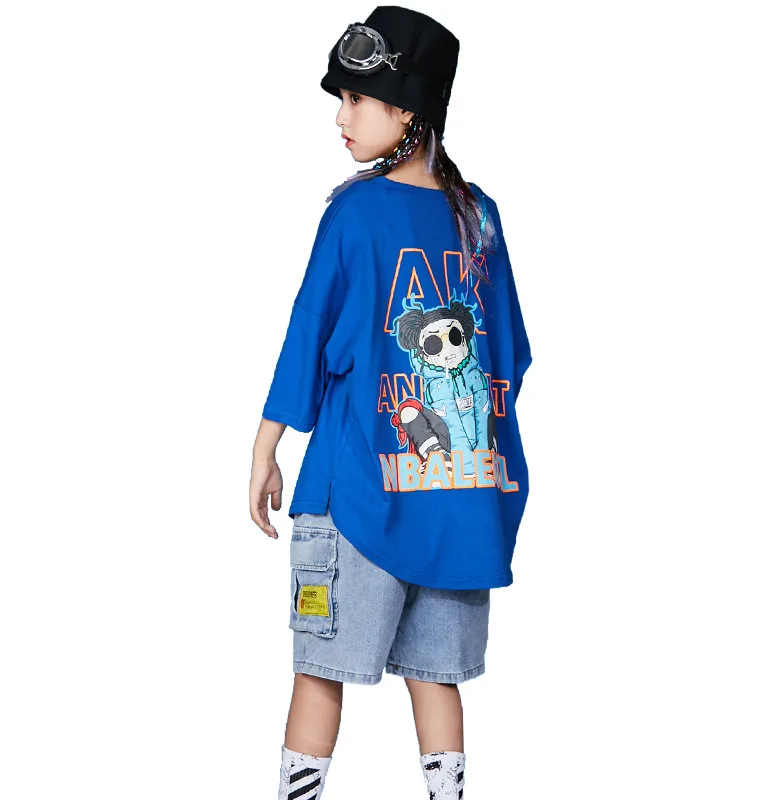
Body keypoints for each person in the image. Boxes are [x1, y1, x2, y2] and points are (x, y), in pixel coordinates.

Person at [248, 6, 532, 798]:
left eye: (356, 99)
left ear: (407, 111)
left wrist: (266, 447)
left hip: (356, 498)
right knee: (437, 680)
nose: (341, 118)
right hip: (459, 500)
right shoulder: (479, 215)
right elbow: (508, 357)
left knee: (319, 674)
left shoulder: (356, 212)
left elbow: (308, 335)